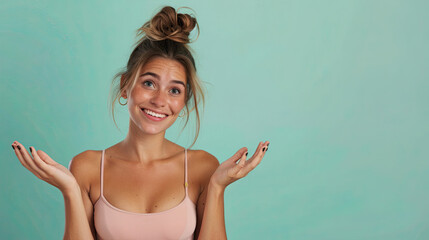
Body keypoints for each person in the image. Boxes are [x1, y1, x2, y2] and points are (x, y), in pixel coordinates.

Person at [11, 6, 269, 240]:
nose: (159, 100)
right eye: (149, 83)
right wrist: (69, 189)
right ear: (126, 86)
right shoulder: (87, 167)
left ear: (184, 101)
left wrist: (216, 187)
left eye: (175, 90)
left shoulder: (203, 167)